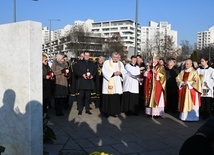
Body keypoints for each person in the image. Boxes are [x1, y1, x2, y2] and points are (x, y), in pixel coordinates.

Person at [101, 52, 126, 117]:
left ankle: (114, 112)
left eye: (117, 57)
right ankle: (106, 112)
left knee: (115, 97)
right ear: (112, 57)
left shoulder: (120, 63)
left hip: (117, 82)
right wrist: (113, 73)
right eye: (114, 57)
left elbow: (124, 71)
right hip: (109, 82)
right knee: (108, 98)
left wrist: (120, 73)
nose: (116, 58)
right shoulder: (107, 62)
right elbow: (104, 71)